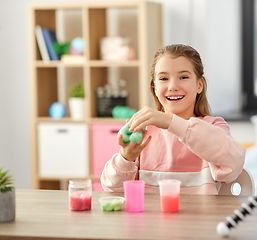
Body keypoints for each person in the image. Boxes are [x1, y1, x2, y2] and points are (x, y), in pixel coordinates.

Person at [101, 44, 245, 195]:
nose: (173, 86)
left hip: (202, 218)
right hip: (152, 218)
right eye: (164, 78)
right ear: (155, 87)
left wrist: (170, 122)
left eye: (183, 77)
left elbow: (232, 166)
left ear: (199, 85)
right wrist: (126, 158)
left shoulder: (213, 126)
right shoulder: (143, 131)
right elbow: (112, 188)